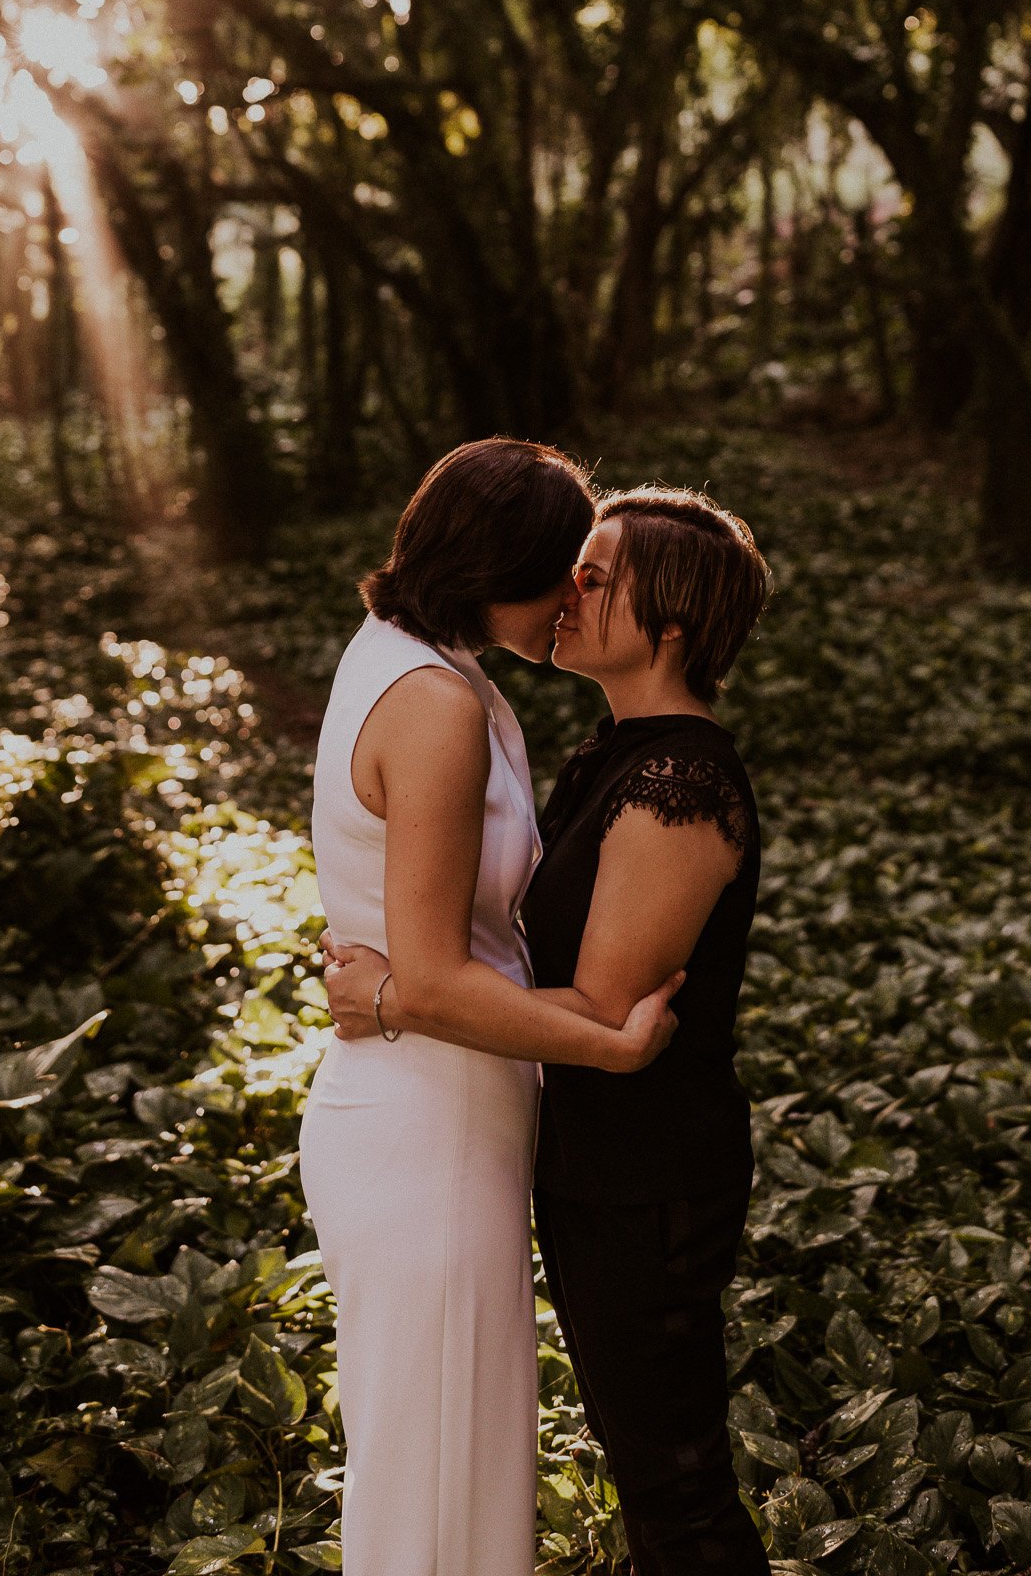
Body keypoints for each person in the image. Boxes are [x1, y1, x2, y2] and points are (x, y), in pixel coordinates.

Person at [326, 483, 771, 1575]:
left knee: (677, 1491)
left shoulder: (677, 781)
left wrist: (397, 994)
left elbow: (602, 1010)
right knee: (645, 1472)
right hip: (590, 1164)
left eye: (598, 572)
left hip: (646, 1177)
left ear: (669, 624)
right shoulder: (613, 751)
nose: (571, 587)